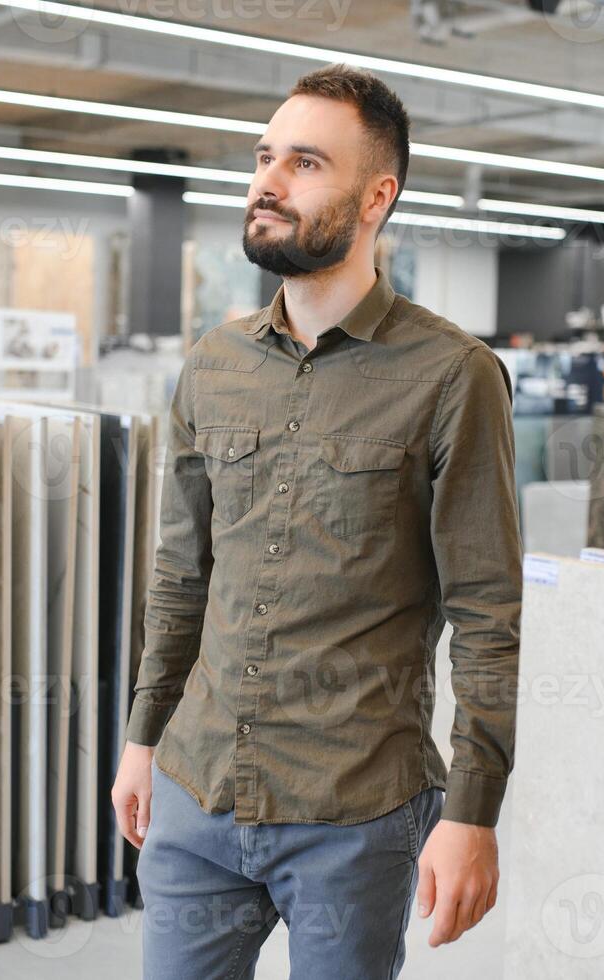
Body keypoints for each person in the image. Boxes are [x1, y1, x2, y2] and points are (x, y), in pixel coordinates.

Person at [111, 62, 523, 979]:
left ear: (376, 196)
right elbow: (181, 576)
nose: (267, 181)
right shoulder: (212, 364)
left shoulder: (452, 376)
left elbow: (488, 618)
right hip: (196, 794)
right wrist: (143, 742)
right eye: (264, 158)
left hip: (354, 813)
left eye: (303, 163)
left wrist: (472, 813)